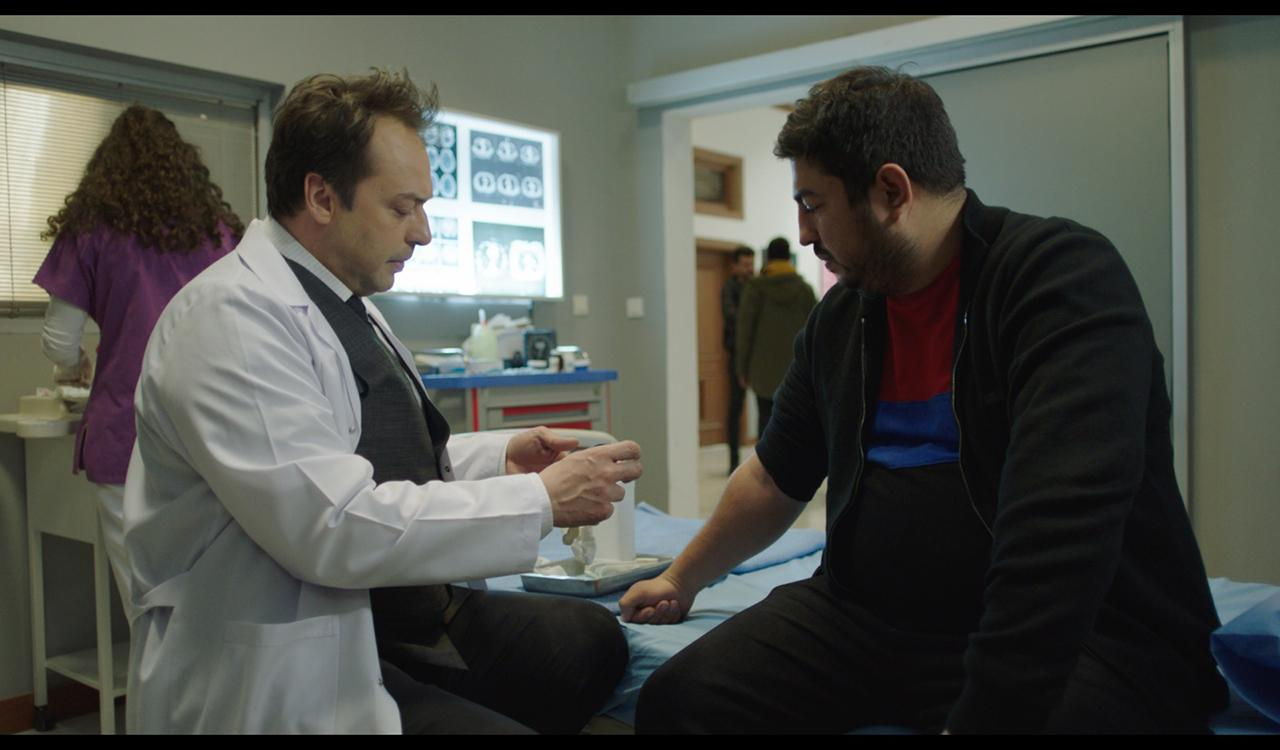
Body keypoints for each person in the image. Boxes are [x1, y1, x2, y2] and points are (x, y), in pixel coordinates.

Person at [621, 66, 1226, 734]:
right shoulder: (842, 318)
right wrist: (681, 579)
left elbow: (1060, 528)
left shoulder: (1060, 281)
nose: (803, 233)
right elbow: (773, 476)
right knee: (684, 701)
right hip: (870, 620)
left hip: (1086, 634)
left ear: (890, 191)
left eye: (813, 203)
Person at [122, 69, 639, 734]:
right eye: (402, 208)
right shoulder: (230, 319)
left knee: (590, 642)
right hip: (294, 657)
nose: (423, 233)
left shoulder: (345, 302)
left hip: (395, 611)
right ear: (321, 197)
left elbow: (362, 456)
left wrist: (501, 459)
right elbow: (331, 522)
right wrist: (540, 500)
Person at [33, 105, 242, 620]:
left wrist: (74, 366)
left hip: (126, 433)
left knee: (146, 607)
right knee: (213, 602)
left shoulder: (91, 229)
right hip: (213, 433)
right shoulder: (218, 232)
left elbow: (58, 341)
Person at [734, 236, 817, 440]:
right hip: (796, 372)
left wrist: (742, 369)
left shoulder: (755, 289)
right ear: (789, 258)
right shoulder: (804, 290)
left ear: (768, 259)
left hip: (762, 372)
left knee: (766, 423)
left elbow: (745, 332)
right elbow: (816, 333)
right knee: (794, 425)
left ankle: (765, 461)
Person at [720, 245, 755, 473]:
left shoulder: (757, 286)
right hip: (736, 354)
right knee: (735, 408)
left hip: (758, 354)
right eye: (745, 264)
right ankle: (733, 461)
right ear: (735, 266)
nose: (749, 268)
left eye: (751, 264)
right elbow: (732, 317)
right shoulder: (729, 288)